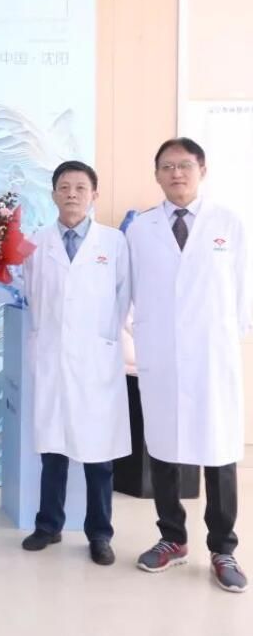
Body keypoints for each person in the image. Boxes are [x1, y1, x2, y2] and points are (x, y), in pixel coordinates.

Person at [128, 137, 250, 593]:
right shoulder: (140, 229)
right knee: (163, 448)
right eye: (167, 166)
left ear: (202, 169)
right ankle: (172, 538)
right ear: (156, 174)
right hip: (161, 353)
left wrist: (227, 338)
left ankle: (223, 548)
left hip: (213, 355)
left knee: (218, 452)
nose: (176, 173)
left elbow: (244, 290)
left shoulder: (228, 223)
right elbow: (130, 290)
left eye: (184, 165)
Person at [19, 161, 130, 565]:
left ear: (94, 195)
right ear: (52, 194)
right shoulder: (37, 243)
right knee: (53, 450)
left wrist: (102, 341)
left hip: (95, 361)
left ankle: (99, 534)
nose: (71, 194)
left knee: (99, 455)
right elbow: (30, 295)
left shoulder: (113, 243)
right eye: (64, 187)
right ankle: (48, 525)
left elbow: (123, 297)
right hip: (52, 355)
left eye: (80, 187)